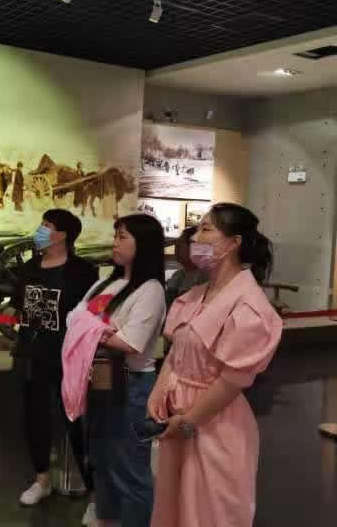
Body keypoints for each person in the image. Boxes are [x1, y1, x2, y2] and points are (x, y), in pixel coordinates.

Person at [149, 203, 282, 527]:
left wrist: (188, 422)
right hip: (178, 418)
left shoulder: (249, 306)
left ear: (234, 242)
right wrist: (159, 391)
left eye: (206, 229)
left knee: (209, 512)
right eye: (198, 229)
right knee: (173, 507)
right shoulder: (196, 294)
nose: (196, 237)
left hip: (214, 423)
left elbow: (233, 380)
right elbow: (178, 351)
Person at [71, 213, 166, 527]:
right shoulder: (105, 282)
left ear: (144, 244)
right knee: (102, 461)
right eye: (116, 236)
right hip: (98, 381)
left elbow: (131, 342)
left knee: (129, 468)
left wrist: (90, 329)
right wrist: (98, 330)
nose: (115, 243)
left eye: (123, 237)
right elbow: (74, 318)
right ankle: (107, 520)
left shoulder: (150, 290)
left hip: (131, 385)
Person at [14, 209, 99, 506]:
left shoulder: (83, 272)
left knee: (76, 421)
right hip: (32, 354)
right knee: (35, 417)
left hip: (69, 357)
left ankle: (95, 492)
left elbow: (91, 315)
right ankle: (41, 479)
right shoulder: (29, 268)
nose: (40, 230)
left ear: (62, 235)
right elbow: (19, 306)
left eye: (46, 225)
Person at [165, 226, 207, 308]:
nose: (176, 247)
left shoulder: (204, 278)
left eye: (180, 244)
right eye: (177, 244)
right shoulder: (178, 275)